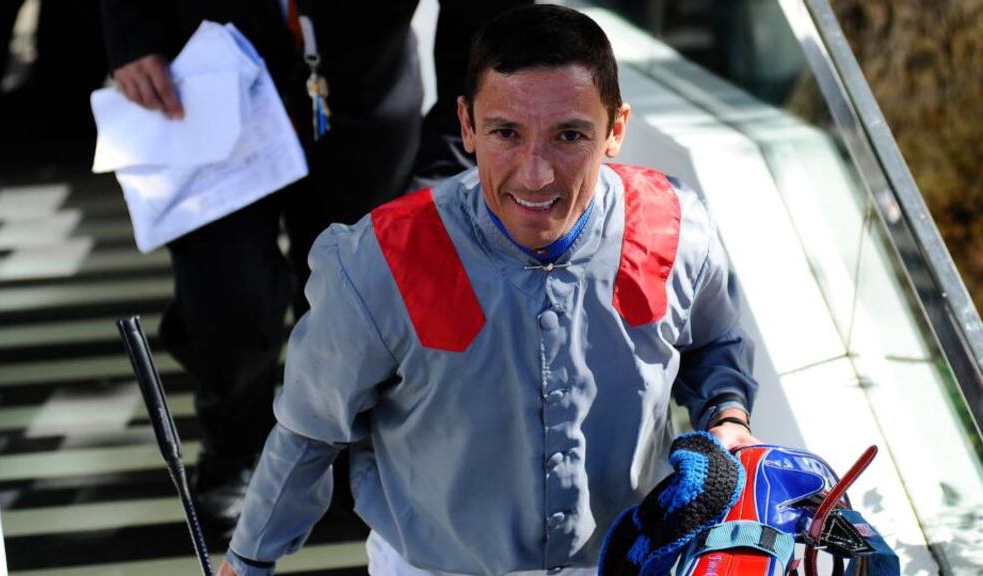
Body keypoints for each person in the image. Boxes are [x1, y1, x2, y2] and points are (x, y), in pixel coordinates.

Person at [219, 5, 761, 575]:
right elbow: (310, 429)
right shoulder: (381, 260)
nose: (535, 175)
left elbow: (713, 346)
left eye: (569, 136)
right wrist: (247, 562)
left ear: (616, 130)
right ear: (468, 125)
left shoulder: (675, 227)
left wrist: (728, 413)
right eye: (506, 133)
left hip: (629, 559)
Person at [98, 0, 528, 529]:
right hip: (201, 92)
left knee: (358, 300)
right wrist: (133, 35)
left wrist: (450, 158)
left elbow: (491, 23)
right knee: (226, 300)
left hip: (364, 97)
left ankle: (354, 457)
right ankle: (235, 445)